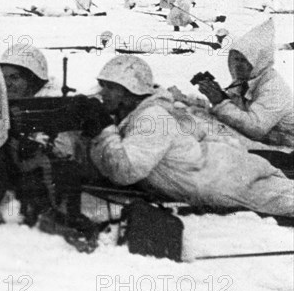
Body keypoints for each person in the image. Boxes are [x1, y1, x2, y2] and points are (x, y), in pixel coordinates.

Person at [86, 55, 293, 217]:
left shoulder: (152, 117)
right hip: (218, 170)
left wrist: (102, 129)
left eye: (111, 88)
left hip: (222, 180)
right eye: (103, 85)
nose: (103, 93)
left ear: (131, 92)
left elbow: (125, 170)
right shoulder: (140, 114)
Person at [0, 44, 96, 235]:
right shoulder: (11, 103)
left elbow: (65, 150)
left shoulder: (52, 105)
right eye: (4, 77)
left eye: (14, 78)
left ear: (32, 80)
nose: (7, 84)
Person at [197, 19, 293, 148]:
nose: (238, 65)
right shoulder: (243, 81)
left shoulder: (273, 87)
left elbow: (256, 128)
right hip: (266, 142)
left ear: (259, 61)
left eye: (244, 60)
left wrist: (221, 103)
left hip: (286, 147)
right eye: (236, 59)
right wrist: (218, 96)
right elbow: (237, 112)